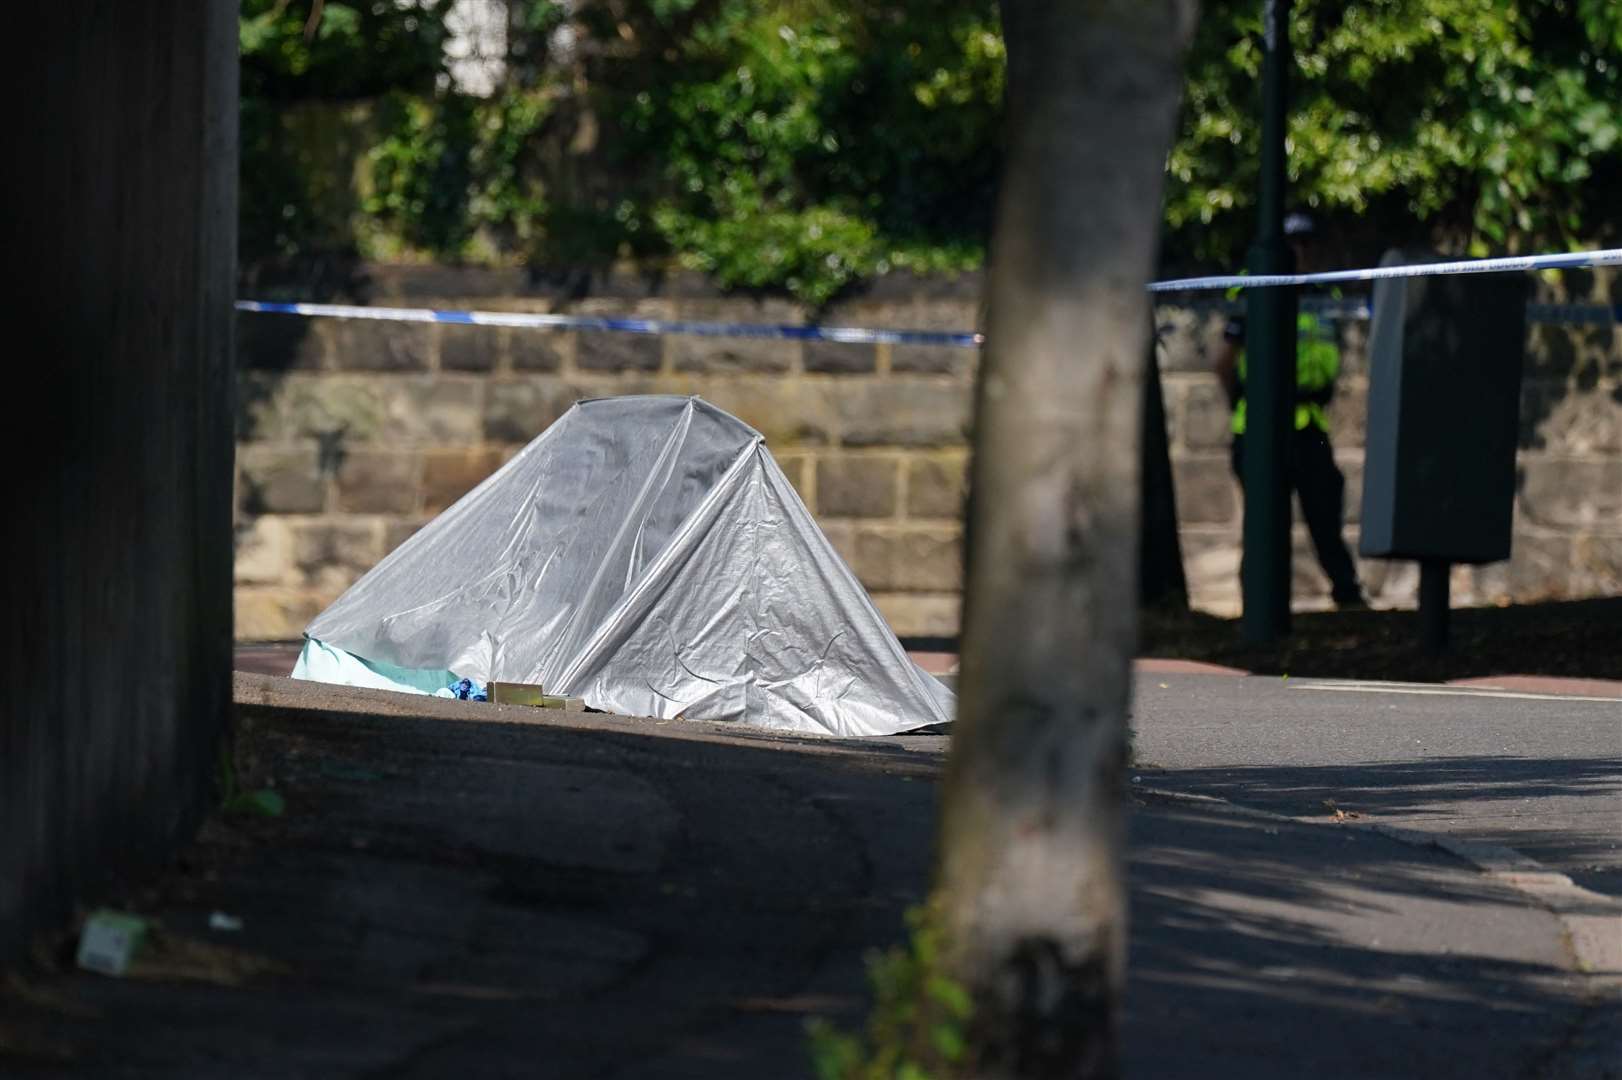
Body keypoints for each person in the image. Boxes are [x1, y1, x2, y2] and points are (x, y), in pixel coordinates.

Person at [1213, 211, 1366, 609]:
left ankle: (1347, 598)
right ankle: (1260, 606)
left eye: (1306, 244)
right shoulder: (1251, 290)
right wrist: (1245, 403)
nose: (1300, 252)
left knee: (1325, 516)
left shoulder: (1322, 294)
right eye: (1292, 244)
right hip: (1260, 425)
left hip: (1310, 423)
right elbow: (1225, 360)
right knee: (1264, 524)